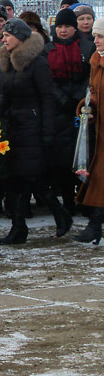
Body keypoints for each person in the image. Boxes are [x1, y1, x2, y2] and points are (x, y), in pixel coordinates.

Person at [0, 18, 70, 245]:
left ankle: (54, 215)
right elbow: (6, 96)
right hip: (15, 127)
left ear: (20, 37)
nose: (3, 38)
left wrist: (47, 131)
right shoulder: (8, 60)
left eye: (7, 35)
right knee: (20, 178)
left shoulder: (37, 63)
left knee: (28, 177)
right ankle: (24, 226)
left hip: (33, 127)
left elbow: (47, 97)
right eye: (3, 35)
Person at [45, 9, 94, 215]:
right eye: (60, 27)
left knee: (84, 155)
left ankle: (84, 197)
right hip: (58, 111)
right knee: (62, 159)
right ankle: (67, 199)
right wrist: (64, 101)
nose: (63, 31)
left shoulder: (87, 47)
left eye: (67, 27)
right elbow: (48, 81)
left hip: (82, 109)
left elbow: (90, 77)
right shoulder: (47, 50)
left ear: (75, 28)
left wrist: (79, 100)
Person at [74, 18, 104, 243]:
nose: (96, 41)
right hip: (100, 134)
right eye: (95, 36)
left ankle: (95, 227)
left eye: (100, 36)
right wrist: (87, 106)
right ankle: (95, 227)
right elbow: (93, 92)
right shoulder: (97, 61)